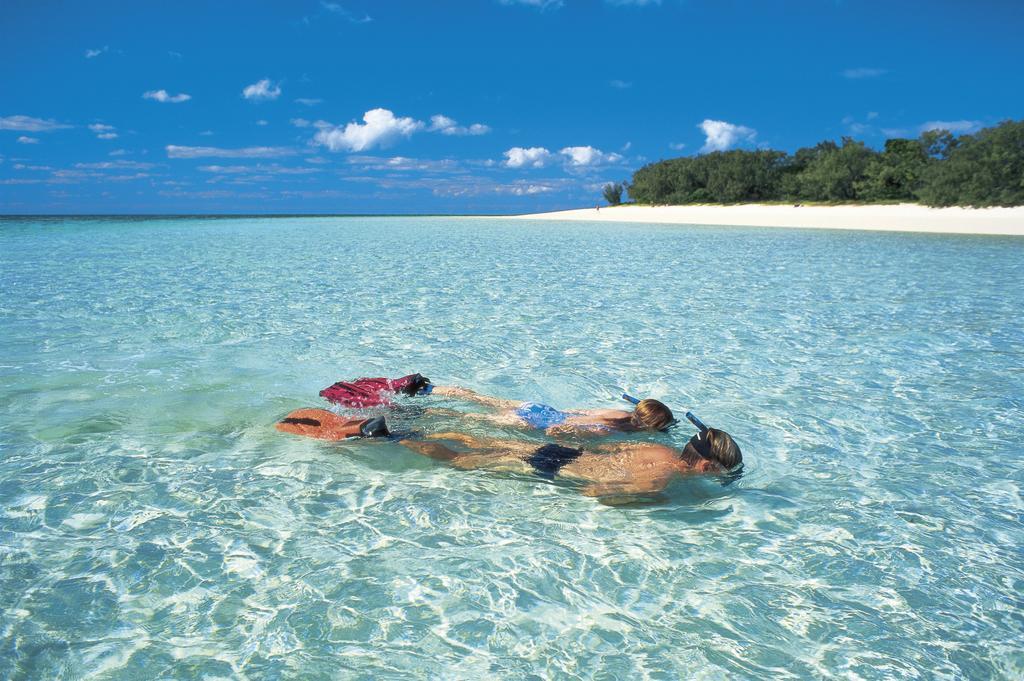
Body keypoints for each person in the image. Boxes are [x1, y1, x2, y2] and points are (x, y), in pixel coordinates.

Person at [397, 426, 741, 497]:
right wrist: (653, 502)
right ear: (706, 466)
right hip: (550, 468)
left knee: (476, 440)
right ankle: (396, 439)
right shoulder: (658, 481)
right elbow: (594, 493)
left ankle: (411, 427)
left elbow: (611, 452)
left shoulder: (657, 451)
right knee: (458, 459)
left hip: (563, 451)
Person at [430, 385, 675, 436]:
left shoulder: (618, 412)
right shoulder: (611, 431)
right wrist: (556, 431)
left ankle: (429, 388)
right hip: (537, 421)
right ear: (646, 426)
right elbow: (567, 429)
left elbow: (578, 412)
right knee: (469, 418)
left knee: (483, 399)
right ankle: (426, 415)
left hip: (542, 408)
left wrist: (558, 416)